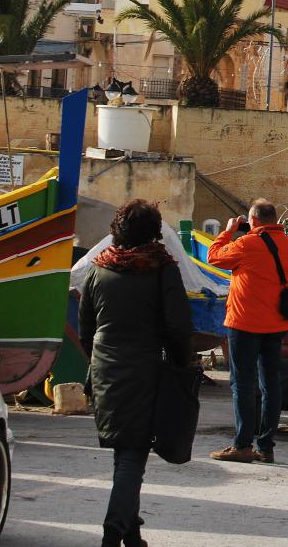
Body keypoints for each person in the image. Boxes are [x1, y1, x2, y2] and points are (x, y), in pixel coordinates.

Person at [80, 200, 192, 547]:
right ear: (154, 231)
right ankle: (113, 531)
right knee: (132, 454)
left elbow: (86, 329)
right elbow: (177, 326)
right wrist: (180, 363)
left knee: (126, 450)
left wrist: (99, 360)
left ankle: (132, 533)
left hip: (104, 369)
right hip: (145, 369)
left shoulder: (98, 270)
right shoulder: (161, 269)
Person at [206, 199, 288, 463]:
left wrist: (228, 230)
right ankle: (266, 446)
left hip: (244, 324)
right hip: (276, 325)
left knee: (242, 384)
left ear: (254, 220)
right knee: (271, 385)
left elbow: (214, 256)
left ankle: (242, 444)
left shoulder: (247, 244)